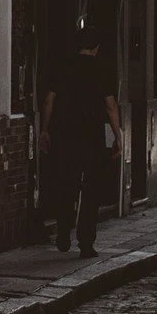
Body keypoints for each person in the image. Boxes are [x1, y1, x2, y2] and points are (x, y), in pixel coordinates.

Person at [40, 24, 122, 256]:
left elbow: (48, 100)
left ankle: (64, 231)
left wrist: (44, 130)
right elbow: (110, 106)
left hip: (64, 134)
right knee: (91, 189)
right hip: (91, 136)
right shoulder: (102, 68)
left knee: (66, 183)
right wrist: (117, 135)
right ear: (96, 47)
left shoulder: (63, 66)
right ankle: (86, 242)